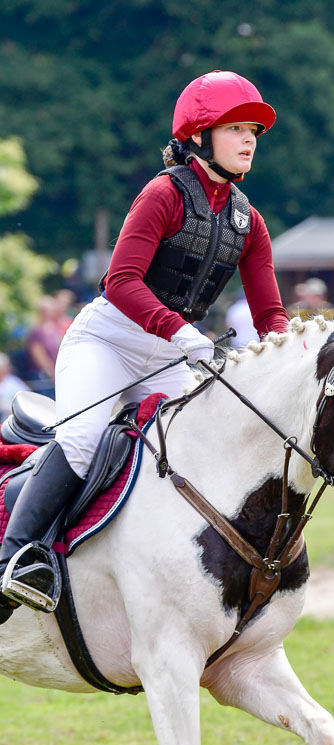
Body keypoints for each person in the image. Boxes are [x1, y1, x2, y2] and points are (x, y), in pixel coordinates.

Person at [0, 70, 289, 623]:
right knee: (84, 438)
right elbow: (121, 281)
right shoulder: (163, 193)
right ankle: (14, 559)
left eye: (253, 129)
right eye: (236, 128)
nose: (250, 138)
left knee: (208, 446)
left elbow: (269, 314)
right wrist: (181, 331)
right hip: (109, 340)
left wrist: (297, 353)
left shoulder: (248, 221)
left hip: (171, 356)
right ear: (199, 136)